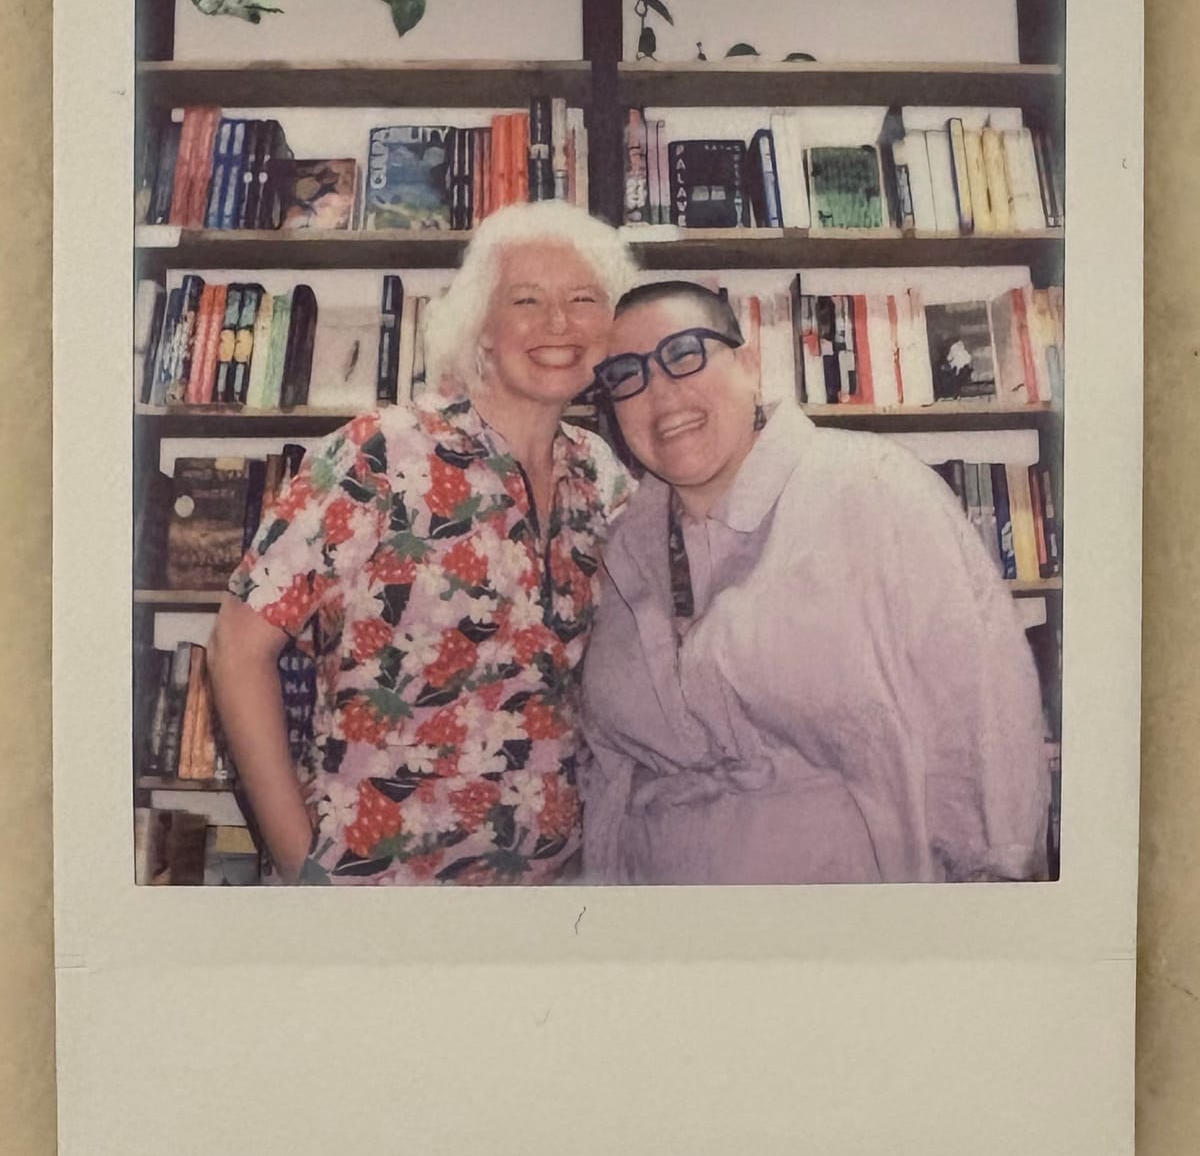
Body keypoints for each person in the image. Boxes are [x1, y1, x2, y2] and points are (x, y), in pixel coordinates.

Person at [207, 202, 636, 885]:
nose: (559, 323)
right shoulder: (377, 453)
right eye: (526, 299)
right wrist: (299, 860)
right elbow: (237, 646)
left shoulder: (604, 476)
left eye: (584, 299)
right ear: (482, 328)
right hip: (379, 888)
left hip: (553, 891)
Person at [580, 280, 1051, 885]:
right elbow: (611, 774)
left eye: (685, 354)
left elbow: (982, 714)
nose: (660, 392)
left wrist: (992, 888)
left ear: (750, 365)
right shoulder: (625, 544)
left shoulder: (871, 490)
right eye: (627, 374)